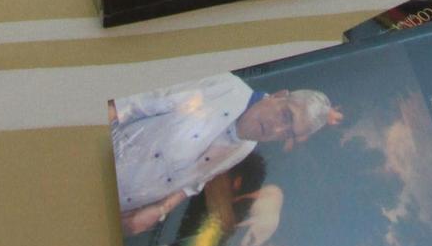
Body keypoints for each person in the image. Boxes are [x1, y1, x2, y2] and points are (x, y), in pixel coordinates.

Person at [109, 75, 340, 234]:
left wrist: (161, 209)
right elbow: (126, 105)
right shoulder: (223, 85)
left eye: (288, 133)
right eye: (286, 115)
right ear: (279, 95)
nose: (277, 129)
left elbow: (194, 183)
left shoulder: (245, 148)